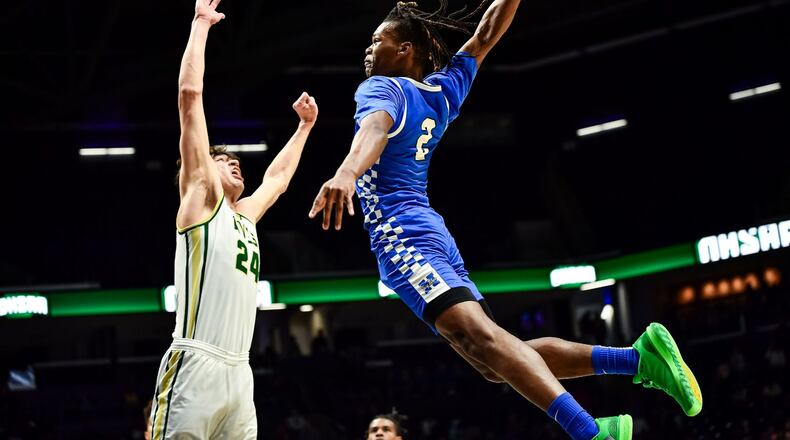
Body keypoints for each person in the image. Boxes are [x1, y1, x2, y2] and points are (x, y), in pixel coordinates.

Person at [308, 1, 701, 438]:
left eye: (377, 40)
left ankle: (590, 432)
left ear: (404, 50)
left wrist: (345, 173)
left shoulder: (382, 89)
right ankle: (637, 359)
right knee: (494, 361)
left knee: (486, 343)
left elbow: (374, 132)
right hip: (431, 232)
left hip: (402, 237)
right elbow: (484, 36)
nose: (368, 48)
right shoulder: (442, 92)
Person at [149, 0, 318, 438]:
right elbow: (190, 98)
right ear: (205, 168)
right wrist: (201, 24)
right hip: (195, 361)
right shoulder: (200, 200)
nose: (236, 164)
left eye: (237, 161)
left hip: (239, 371)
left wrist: (303, 128)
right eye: (224, 161)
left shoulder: (245, 215)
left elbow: (278, 179)